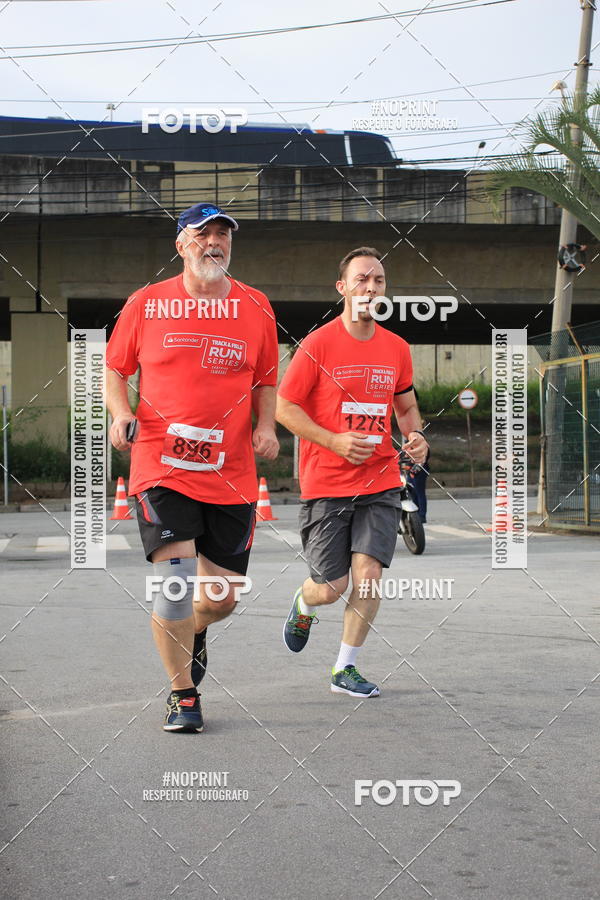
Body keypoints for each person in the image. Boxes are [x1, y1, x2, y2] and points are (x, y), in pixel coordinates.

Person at [106, 203, 279, 733]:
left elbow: (266, 379)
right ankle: (183, 694)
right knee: (174, 584)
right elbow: (115, 369)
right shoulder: (147, 304)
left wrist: (267, 426)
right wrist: (121, 413)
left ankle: (192, 633)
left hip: (232, 473)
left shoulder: (255, 305)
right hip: (162, 466)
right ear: (181, 244)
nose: (215, 243)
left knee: (221, 600)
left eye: (224, 235)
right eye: (204, 235)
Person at [277, 246, 428, 697]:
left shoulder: (396, 348)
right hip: (326, 482)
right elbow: (285, 407)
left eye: (378, 280)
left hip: (380, 479)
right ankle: (304, 600)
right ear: (342, 288)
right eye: (362, 279)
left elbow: (405, 405)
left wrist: (416, 436)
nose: (371, 287)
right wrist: (333, 440)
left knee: (368, 577)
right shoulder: (318, 344)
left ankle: (345, 668)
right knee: (332, 586)